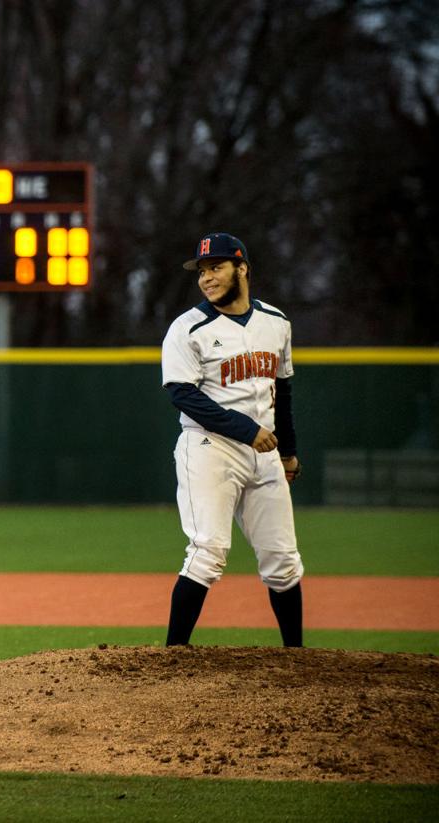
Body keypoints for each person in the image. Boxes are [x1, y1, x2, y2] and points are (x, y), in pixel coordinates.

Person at [161, 232, 304, 647]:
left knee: (284, 563)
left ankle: (296, 657)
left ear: (242, 268)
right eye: (202, 271)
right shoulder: (188, 328)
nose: (206, 278)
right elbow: (183, 396)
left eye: (216, 267)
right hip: (209, 448)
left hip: (266, 452)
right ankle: (174, 655)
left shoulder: (276, 323)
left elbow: (284, 392)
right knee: (207, 552)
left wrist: (290, 452)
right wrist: (248, 431)